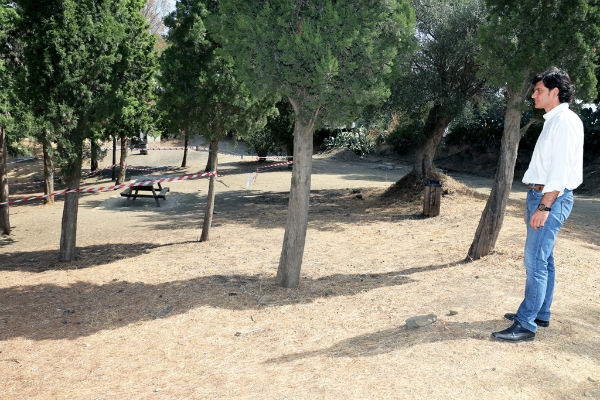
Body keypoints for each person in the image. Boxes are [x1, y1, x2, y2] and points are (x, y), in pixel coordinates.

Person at [492, 67, 584, 342]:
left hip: (551, 197)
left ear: (555, 92)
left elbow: (559, 170)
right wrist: (535, 204)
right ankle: (541, 313)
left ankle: (526, 323)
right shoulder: (553, 120)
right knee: (545, 258)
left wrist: (544, 207)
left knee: (535, 261)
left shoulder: (564, 121)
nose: (533, 95)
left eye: (539, 90)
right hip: (543, 195)